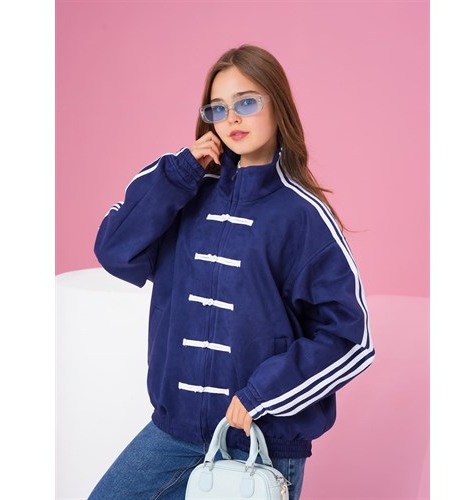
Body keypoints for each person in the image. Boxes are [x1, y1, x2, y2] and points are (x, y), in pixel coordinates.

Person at [89, 44, 374, 500]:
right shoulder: (186, 191)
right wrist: (178, 173)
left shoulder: (302, 215)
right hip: (174, 430)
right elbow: (114, 249)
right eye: (218, 108)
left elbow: (349, 338)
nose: (232, 118)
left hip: (259, 442)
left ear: (278, 105)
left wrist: (261, 393)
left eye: (247, 102)